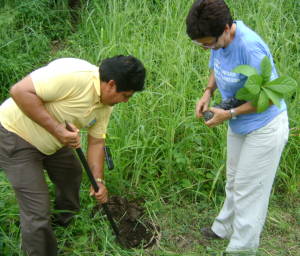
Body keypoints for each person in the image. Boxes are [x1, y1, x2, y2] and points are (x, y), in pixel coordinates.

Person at [0, 55, 146, 256]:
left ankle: (62, 224)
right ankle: (41, 243)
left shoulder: (105, 105)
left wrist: (98, 181)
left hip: (54, 139)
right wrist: (56, 129)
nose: (126, 101)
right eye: (126, 95)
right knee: (37, 212)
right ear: (111, 85)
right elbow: (19, 91)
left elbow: (96, 141)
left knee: (72, 174)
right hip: (16, 135)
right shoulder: (73, 75)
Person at [186, 0, 289, 254]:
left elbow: (270, 96)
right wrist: (208, 92)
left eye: (208, 42)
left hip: (265, 125)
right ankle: (224, 228)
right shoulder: (218, 38)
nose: (206, 47)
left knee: (248, 189)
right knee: (233, 180)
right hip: (239, 122)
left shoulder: (250, 47)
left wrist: (229, 113)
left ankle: (241, 249)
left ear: (226, 28)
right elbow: (216, 64)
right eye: (202, 44)